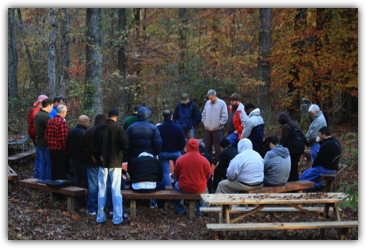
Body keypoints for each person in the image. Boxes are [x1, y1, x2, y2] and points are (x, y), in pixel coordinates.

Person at [92, 109, 129, 225]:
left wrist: (99, 159)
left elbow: (94, 148)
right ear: (116, 117)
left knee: (102, 189)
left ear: (108, 116)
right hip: (115, 163)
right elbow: (125, 145)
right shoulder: (118, 129)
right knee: (115, 190)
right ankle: (117, 217)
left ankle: (100, 216)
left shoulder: (99, 129)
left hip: (103, 163)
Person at [79, 114, 114, 216]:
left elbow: (81, 147)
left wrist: (88, 155)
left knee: (93, 186)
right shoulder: (108, 132)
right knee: (107, 185)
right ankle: (110, 207)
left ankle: (92, 208)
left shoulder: (87, 132)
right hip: (106, 163)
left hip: (92, 162)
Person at [174, 139, 211, 216]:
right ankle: (201, 211)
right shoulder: (204, 160)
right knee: (205, 189)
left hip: (183, 187)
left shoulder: (180, 159)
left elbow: (176, 175)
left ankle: (180, 209)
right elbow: (208, 175)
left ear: (187, 146)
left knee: (175, 185)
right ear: (198, 147)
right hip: (200, 187)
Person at [300, 127, 341, 191]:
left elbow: (319, 159)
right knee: (306, 173)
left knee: (302, 178)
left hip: (325, 169)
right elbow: (326, 150)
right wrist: (320, 142)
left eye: (320, 135)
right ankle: (315, 187)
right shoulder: (335, 141)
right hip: (331, 167)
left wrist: (314, 166)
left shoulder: (326, 145)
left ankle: (300, 191)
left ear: (323, 135)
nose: (319, 136)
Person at [66, 115, 89, 208]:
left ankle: (79, 200)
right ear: (85, 122)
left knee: (77, 179)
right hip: (83, 160)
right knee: (88, 180)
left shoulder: (71, 132)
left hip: (73, 159)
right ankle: (89, 200)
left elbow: (67, 144)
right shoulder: (84, 133)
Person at [157, 110, 185, 186]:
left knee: (165, 173)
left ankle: (168, 189)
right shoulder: (178, 128)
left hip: (163, 153)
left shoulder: (159, 128)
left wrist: (159, 150)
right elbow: (182, 142)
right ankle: (177, 185)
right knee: (178, 171)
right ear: (172, 116)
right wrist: (178, 149)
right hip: (176, 152)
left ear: (163, 118)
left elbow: (156, 141)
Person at [277, 112, 305, 182]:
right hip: (297, 149)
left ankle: (292, 184)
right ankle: (295, 182)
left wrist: (278, 147)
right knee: (294, 168)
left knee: (290, 168)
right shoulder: (295, 124)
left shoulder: (286, 126)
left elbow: (284, 140)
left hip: (291, 150)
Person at [201, 89, 228, 162]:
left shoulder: (222, 103)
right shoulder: (207, 103)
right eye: (209, 98)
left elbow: (224, 116)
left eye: (211, 98)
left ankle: (218, 161)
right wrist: (204, 122)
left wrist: (219, 124)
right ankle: (207, 161)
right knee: (207, 146)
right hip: (207, 129)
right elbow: (203, 113)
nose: (210, 100)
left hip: (217, 130)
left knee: (218, 147)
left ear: (215, 96)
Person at [45, 104, 70, 181]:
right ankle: (59, 191)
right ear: (63, 112)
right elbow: (64, 139)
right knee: (60, 173)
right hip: (60, 150)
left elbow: (46, 135)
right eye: (65, 112)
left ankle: (54, 190)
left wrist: (50, 144)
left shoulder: (50, 121)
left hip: (51, 149)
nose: (65, 114)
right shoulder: (62, 122)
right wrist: (66, 151)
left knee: (54, 170)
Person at [28, 94, 48, 179]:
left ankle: (39, 176)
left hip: (35, 136)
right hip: (37, 137)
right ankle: (39, 177)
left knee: (40, 157)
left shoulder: (34, 110)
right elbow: (37, 126)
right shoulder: (36, 112)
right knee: (40, 158)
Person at [34, 98, 53, 180]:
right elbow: (52, 129)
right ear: (48, 106)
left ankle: (42, 181)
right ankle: (48, 182)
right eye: (51, 106)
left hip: (39, 142)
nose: (52, 108)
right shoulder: (45, 117)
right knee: (49, 164)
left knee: (43, 163)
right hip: (45, 143)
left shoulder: (37, 114)